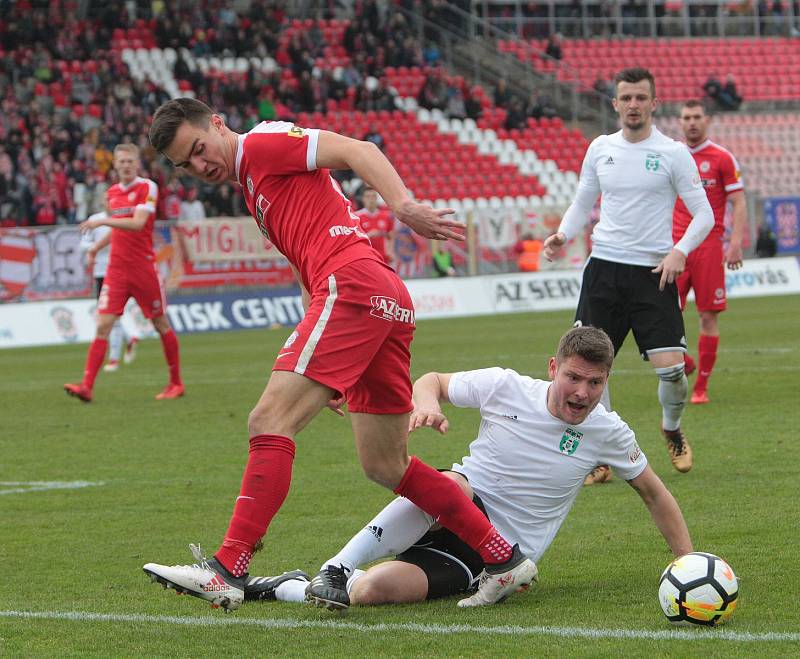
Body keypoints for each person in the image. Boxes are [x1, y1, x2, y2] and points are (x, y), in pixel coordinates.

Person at [141, 98, 535, 613]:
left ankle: (228, 567)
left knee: (269, 420)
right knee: (385, 464)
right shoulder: (256, 184)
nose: (198, 165)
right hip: (380, 297)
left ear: (216, 124)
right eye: (184, 164)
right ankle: (504, 560)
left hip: (350, 286)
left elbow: (357, 149)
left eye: (197, 149)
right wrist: (332, 363)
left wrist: (402, 204)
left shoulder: (260, 146)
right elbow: (306, 256)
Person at [242, 326, 693, 607]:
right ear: (553, 367)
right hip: (456, 499)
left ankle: (287, 586)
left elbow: (655, 493)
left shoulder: (609, 431)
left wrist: (686, 563)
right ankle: (337, 566)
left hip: (496, 556)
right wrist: (426, 406)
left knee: (372, 593)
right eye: (573, 377)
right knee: (450, 485)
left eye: (594, 383)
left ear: (606, 382)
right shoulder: (506, 387)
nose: (581, 392)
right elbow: (432, 380)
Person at [543, 68, 714, 479]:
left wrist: (678, 252)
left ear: (653, 104)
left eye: (641, 97)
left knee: (673, 371)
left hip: (654, 273)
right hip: (604, 270)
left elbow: (704, 215)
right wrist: (564, 233)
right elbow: (583, 200)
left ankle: (671, 428)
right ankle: (599, 452)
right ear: (615, 103)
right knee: (588, 366)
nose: (633, 104)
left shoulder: (673, 153)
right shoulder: (600, 147)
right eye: (626, 98)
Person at [64, 144, 184, 402]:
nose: (126, 165)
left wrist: (102, 220)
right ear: (115, 165)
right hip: (116, 271)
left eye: (130, 161)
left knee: (160, 323)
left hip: (142, 268)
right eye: (122, 162)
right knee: (103, 325)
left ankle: (176, 383)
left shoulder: (147, 187)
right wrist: (96, 247)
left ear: (137, 164)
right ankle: (86, 386)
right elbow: (118, 229)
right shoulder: (112, 193)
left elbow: (138, 223)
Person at [673, 100, 747, 405]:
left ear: (707, 120)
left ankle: (701, 387)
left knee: (707, 317)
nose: (691, 122)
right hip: (674, 247)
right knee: (662, 313)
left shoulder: (722, 157)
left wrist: (735, 242)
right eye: (686, 118)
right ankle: (686, 363)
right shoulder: (672, 155)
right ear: (680, 122)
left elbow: (739, 202)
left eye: (696, 117)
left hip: (708, 247)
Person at [79, 211, 140, 372]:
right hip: (100, 271)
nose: (109, 201)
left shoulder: (122, 218)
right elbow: (83, 243)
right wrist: (98, 245)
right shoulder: (95, 219)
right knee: (105, 317)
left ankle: (114, 359)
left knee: (113, 317)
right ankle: (129, 338)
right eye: (106, 199)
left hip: (118, 271)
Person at [355, 186, 396, 265]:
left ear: (377, 198)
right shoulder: (357, 217)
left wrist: (390, 251)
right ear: (363, 199)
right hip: (366, 257)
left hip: (383, 257)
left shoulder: (386, 216)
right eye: (368, 196)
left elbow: (391, 235)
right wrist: (368, 235)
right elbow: (354, 239)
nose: (371, 199)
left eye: (373, 196)